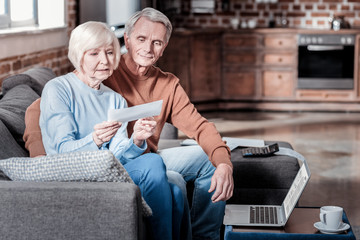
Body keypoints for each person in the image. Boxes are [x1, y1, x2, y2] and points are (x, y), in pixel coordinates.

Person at [24, 7, 234, 240]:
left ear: (164, 47)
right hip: (110, 160)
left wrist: (224, 163)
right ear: (128, 39)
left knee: (212, 160)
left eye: (157, 42)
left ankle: (206, 237)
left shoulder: (164, 85)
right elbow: (37, 110)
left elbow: (200, 126)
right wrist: (41, 163)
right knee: (173, 182)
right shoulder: (105, 72)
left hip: (135, 154)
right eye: (141, 39)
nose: (147, 48)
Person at [38, 21, 183, 240]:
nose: (104, 61)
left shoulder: (114, 99)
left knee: (177, 193)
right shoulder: (58, 89)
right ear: (79, 55)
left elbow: (119, 153)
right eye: (94, 53)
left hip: (109, 170)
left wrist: (137, 140)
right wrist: (95, 139)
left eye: (108, 52)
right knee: (153, 162)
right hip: (75, 174)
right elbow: (60, 152)